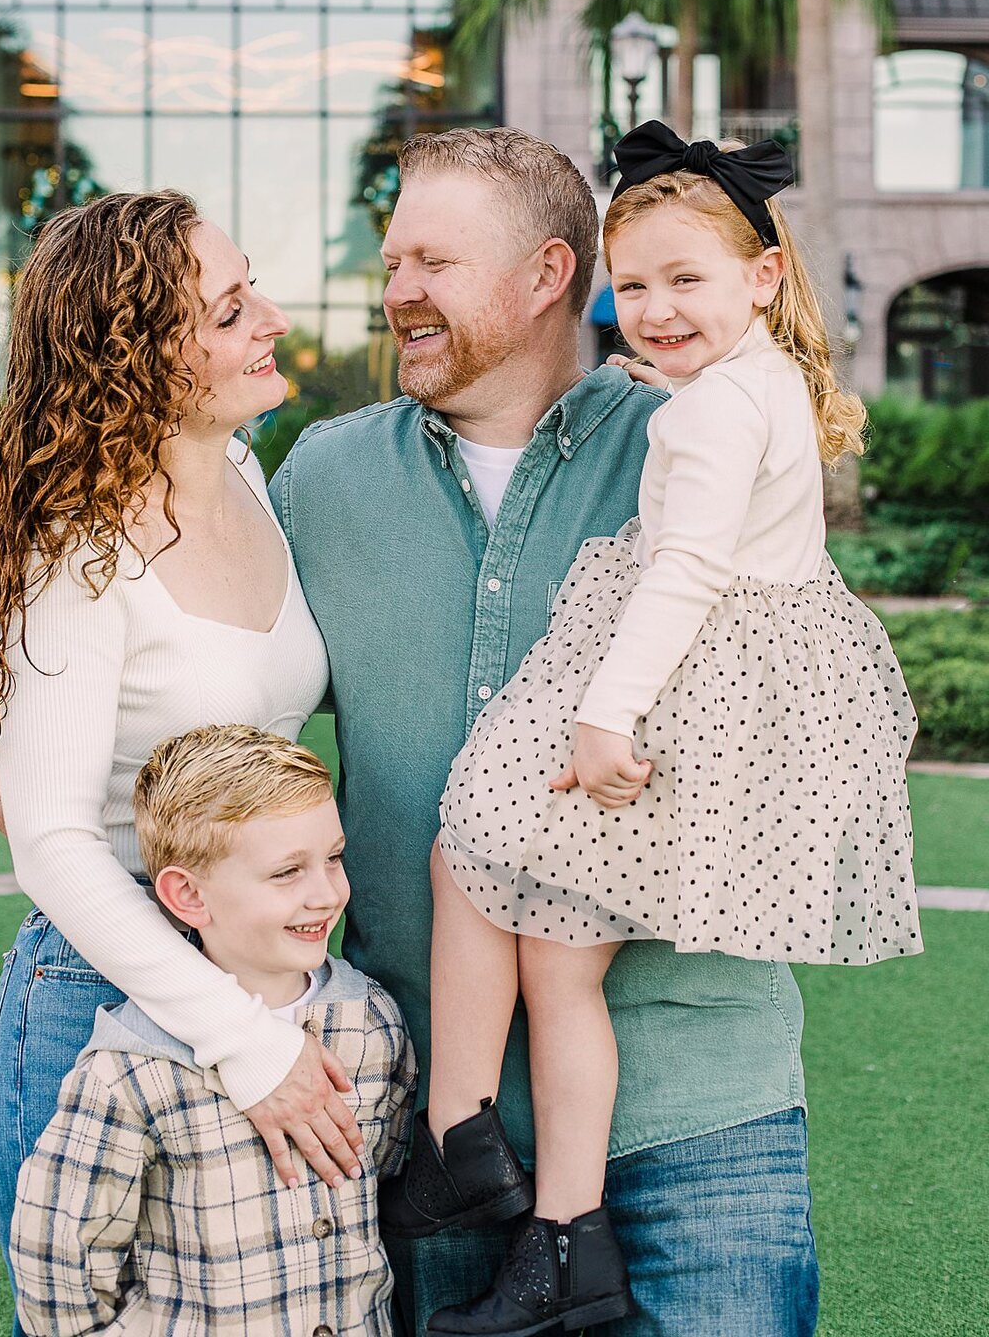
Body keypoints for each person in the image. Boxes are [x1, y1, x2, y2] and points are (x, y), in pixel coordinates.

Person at [272, 127, 822, 1337]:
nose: (397, 288)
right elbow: (224, 689)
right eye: (392, 257)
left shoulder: (696, 436)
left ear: (547, 275)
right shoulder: (322, 478)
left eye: (434, 260)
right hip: (428, 1135)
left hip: (697, 1105)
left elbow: (790, 699)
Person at [402, 122, 922, 1334]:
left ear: (762, 275)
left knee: (482, 859)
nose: (654, 308)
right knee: (550, 943)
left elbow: (682, 570)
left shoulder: (703, 419)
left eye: (686, 280)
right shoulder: (764, 382)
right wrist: (675, 383)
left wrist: (601, 717)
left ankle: (475, 1158)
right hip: (746, 701)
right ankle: (544, 1225)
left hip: (668, 694)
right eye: (633, 286)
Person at [0, 191, 365, 1331]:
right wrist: (248, 1046)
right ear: (140, 358)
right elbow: (49, 841)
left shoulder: (249, 481)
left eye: (251, 288)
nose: (271, 318)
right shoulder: (80, 547)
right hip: (106, 991)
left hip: (261, 967)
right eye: (229, 313)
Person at [10, 723, 416, 1337]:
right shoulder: (130, 1072)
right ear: (188, 896)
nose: (326, 893)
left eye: (333, 858)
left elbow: (384, 1175)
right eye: (286, 873)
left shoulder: (373, 1022)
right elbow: (60, 1255)